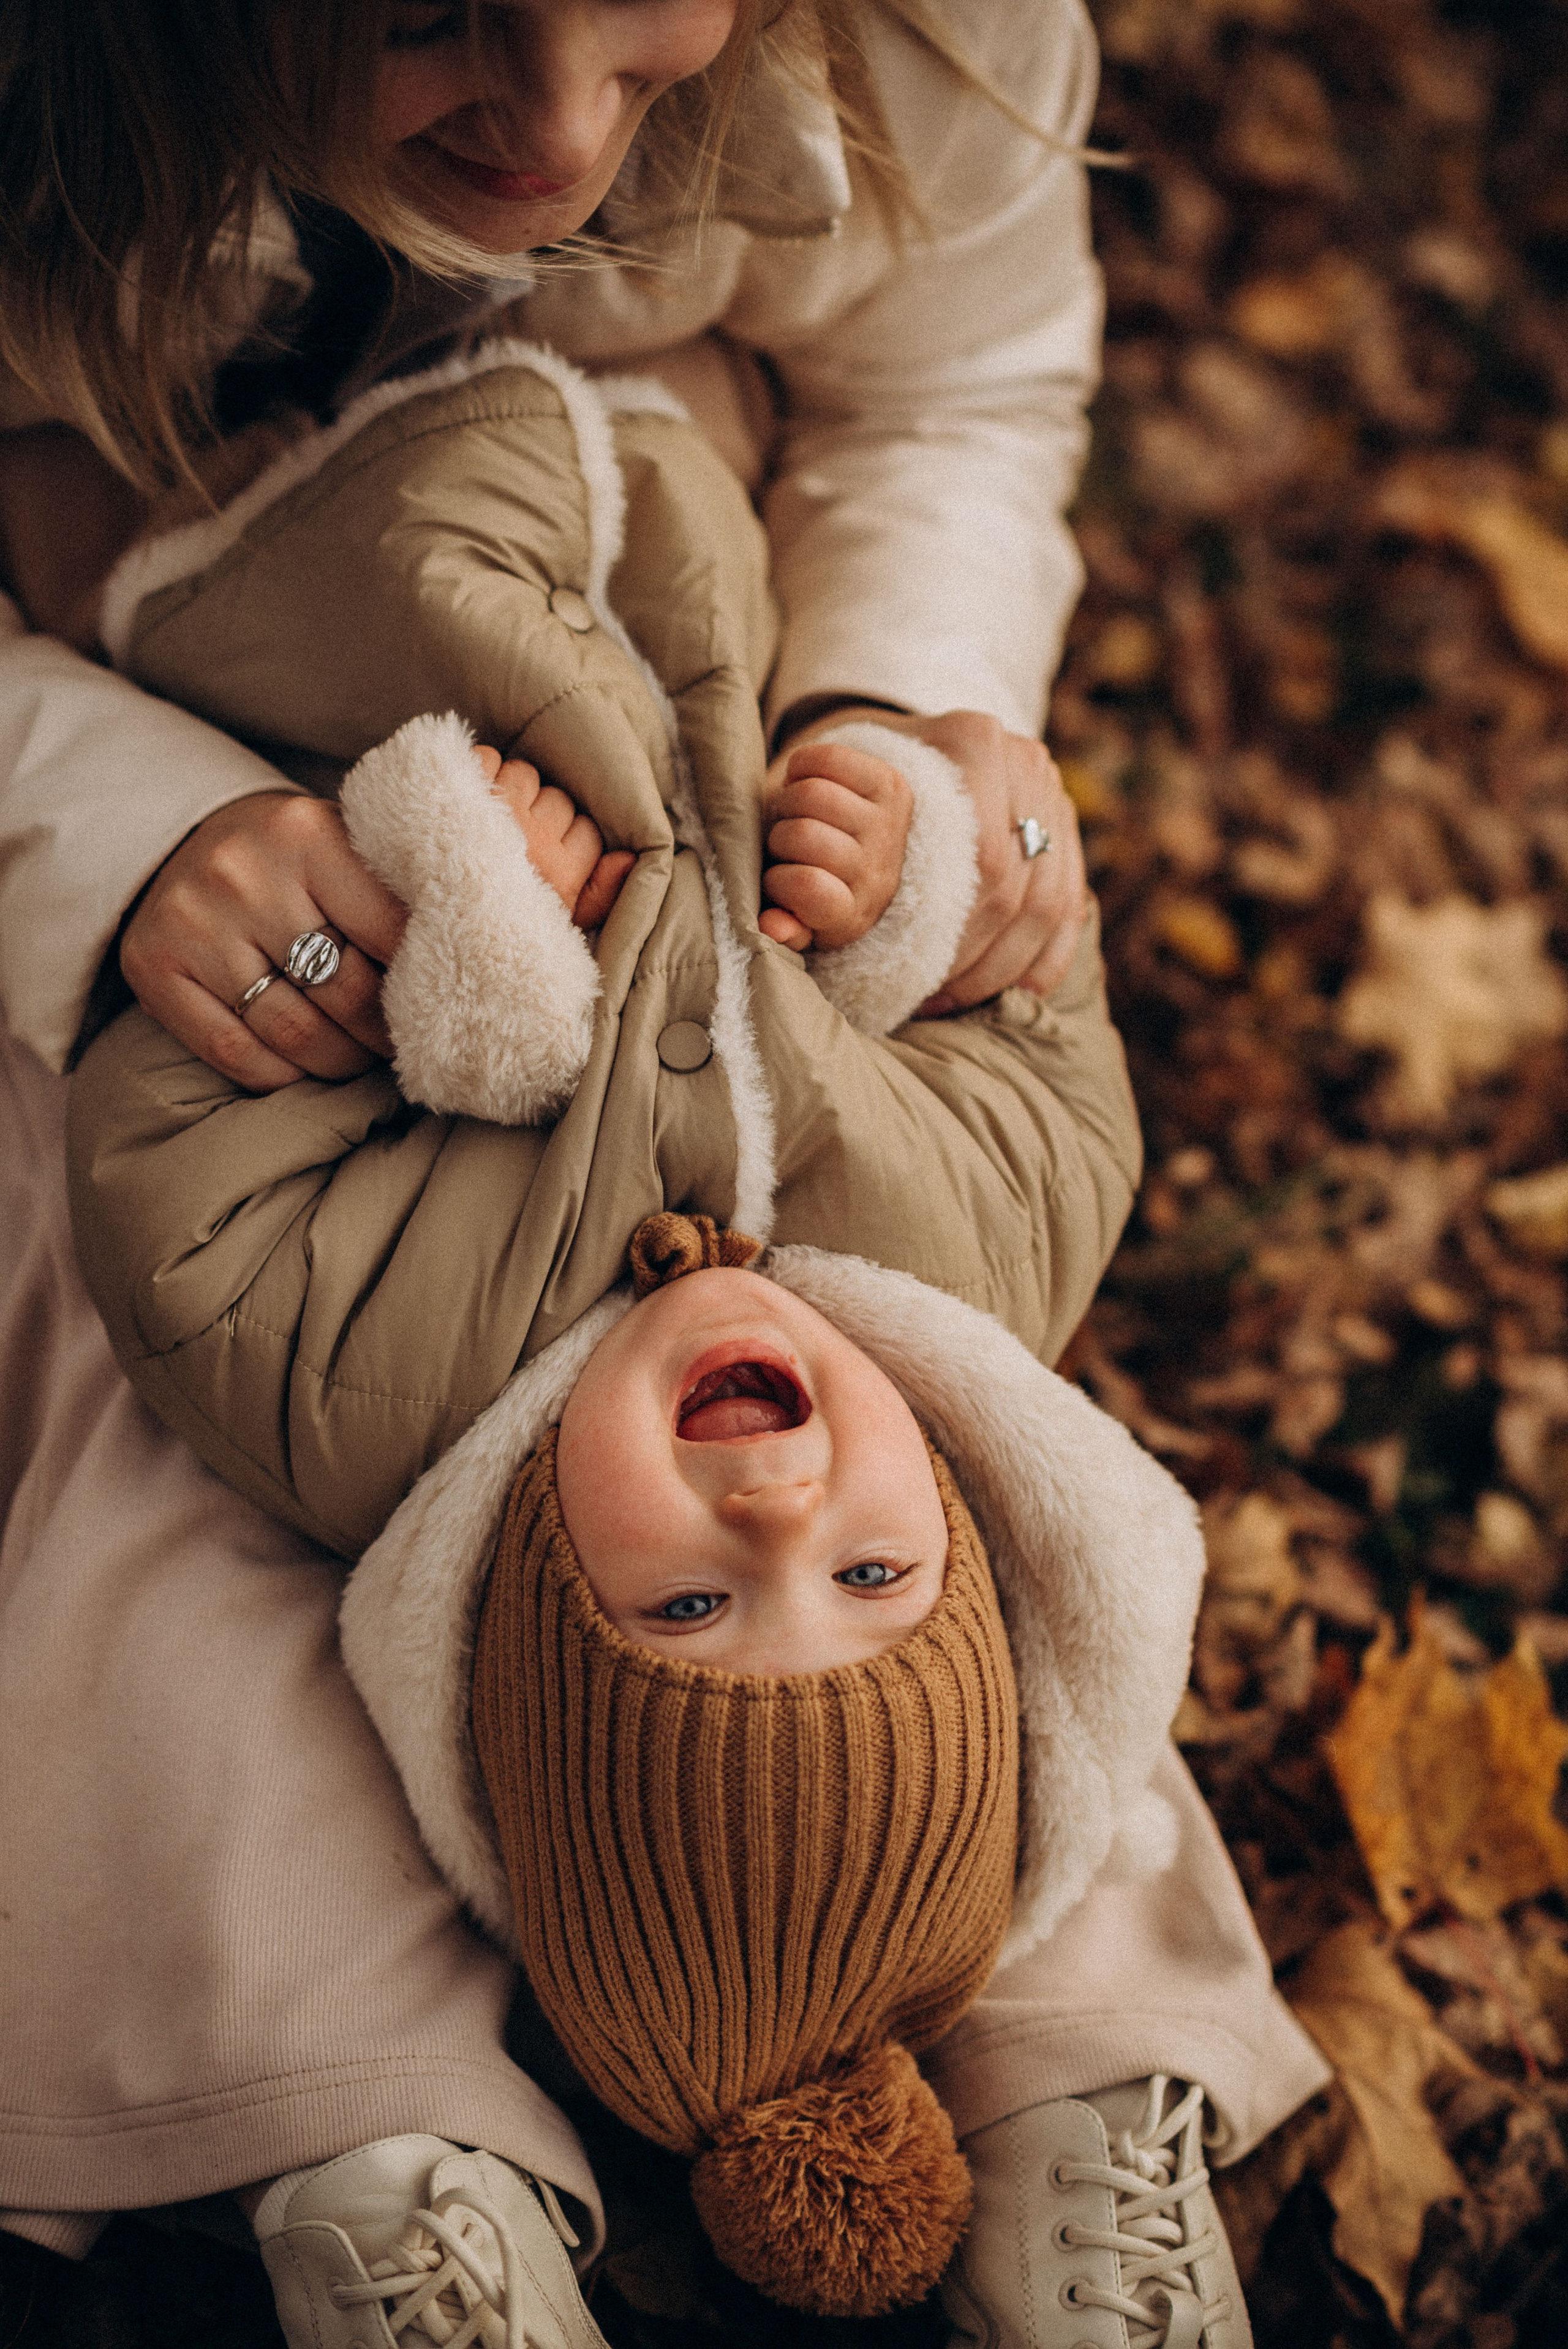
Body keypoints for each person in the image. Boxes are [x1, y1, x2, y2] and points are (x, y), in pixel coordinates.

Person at [0, 5, 1330, 2345]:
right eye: (434, 31)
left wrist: (911, 744)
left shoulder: (912, 36)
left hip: (703, 772)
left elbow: (958, 387)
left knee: (955, 1453)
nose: (558, 139)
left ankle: (1078, 2062)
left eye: (647, 48)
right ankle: (358, 2125)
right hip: (171, 744)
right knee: (163, 1424)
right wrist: (121, 844)